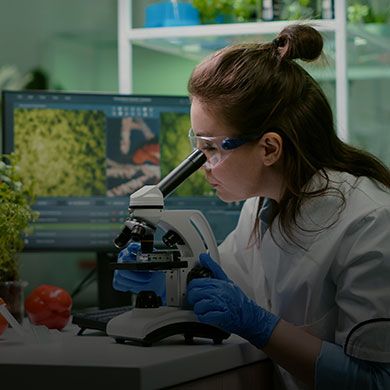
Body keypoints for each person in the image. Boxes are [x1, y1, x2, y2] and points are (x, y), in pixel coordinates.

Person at [113, 24, 390, 389]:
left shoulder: (370, 222)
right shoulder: (262, 206)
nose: (202, 166)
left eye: (211, 149)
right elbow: (220, 282)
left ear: (270, 149)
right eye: (198, 145)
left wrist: (259, 325)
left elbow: (376, 381)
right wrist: (168, 281)